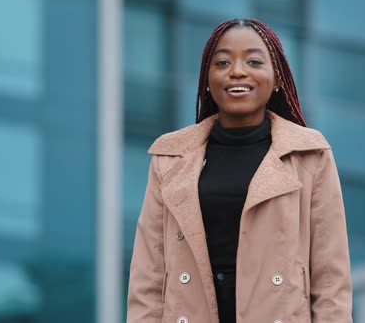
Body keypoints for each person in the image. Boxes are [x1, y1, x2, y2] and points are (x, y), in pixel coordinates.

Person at [127, 18, 352, 323]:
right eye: (222, 62)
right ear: (206, 79)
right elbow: (148, 280)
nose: (237, 71)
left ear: (276, 79)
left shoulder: (310, 155)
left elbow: (331, 282)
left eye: (254, 61)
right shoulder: (169, 157)